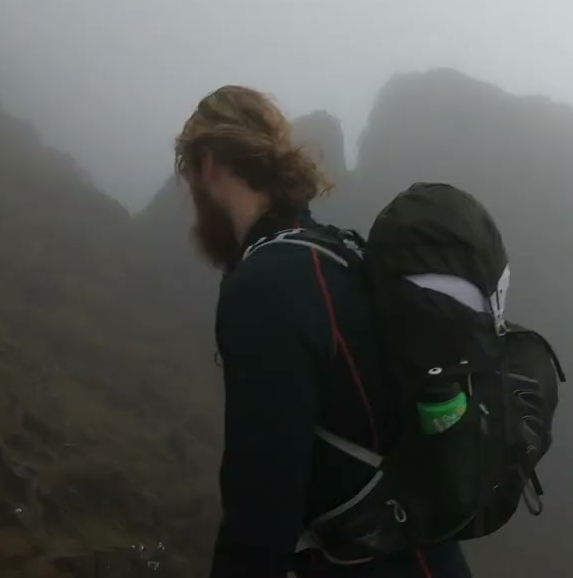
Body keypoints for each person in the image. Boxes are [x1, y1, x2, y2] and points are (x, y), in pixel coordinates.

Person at [174, 85, 473, 578]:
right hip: (426, 556)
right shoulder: (335, 254)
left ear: (207, 165)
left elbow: (262, 502)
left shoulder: (267, 284)